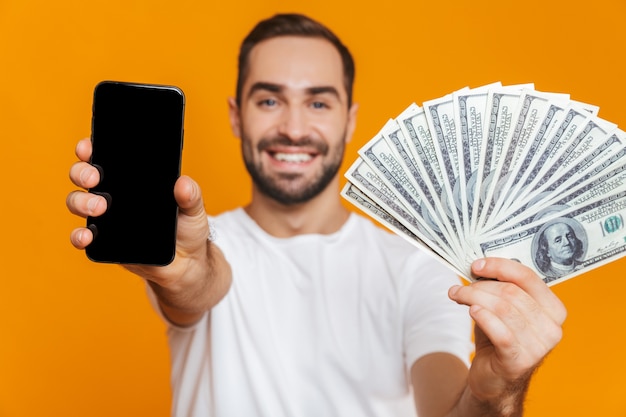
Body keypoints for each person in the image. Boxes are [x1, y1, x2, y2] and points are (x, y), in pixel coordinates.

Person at [67, 13, 567, 417]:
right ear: (236, 115)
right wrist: (183, 276)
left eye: (319, 103)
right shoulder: (197, 244)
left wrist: (495, 390)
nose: (293, 127)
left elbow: (449, 410)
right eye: (269, 99)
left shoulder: (417, 266)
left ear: (349, 118)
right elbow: (198, 287)